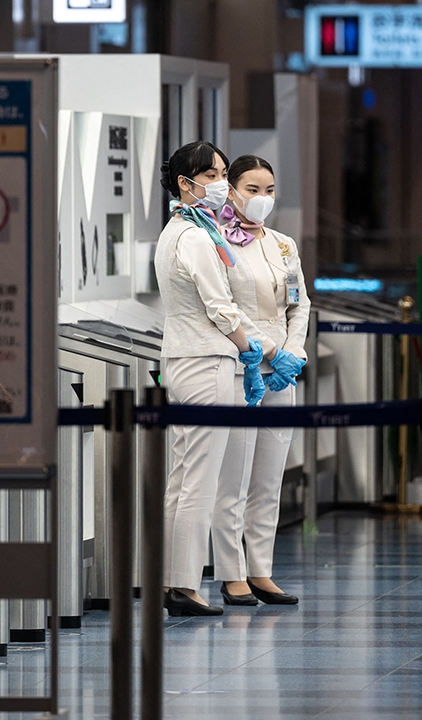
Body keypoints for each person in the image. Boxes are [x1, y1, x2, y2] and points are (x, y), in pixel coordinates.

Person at [155, 141, 277, 617]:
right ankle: (183, 586)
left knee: (185, 476)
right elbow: (220, 307)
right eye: (210, 175)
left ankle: (175, 580)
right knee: (198, 479)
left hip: (193, 358)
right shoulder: (193, 235)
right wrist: (257, 348)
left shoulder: (189, 229)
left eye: (223, 173)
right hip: (205, 360)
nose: (220, 184)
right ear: (185, 184)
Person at [212, 155, 310, 606]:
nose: (262, 199)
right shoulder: (216, 241)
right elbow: (223, 309)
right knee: (234, 477)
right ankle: (232, 575)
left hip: (281, 370)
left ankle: (262, 570)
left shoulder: (283, 245)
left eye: (269, 190)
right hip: (239, 366)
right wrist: (263, 351)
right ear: (231, 189)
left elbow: (299, 304)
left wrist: (292, 353)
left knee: (270, 477)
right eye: (252, 189)